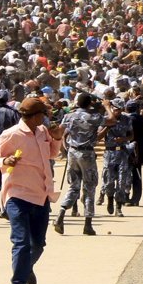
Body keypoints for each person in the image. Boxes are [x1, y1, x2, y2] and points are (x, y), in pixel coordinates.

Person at [0, 97, 64, 284]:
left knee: (38, 244)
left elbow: (53, 154)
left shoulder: (42, 133)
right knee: (21, 244)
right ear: (35, 116)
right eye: (43, 115)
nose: (46, 119)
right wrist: (5, 160)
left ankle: (26, 268)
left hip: (41, 195)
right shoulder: (11, 134)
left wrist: (56, 139)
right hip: (17, 195)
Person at [54, 93, 116, 236]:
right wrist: (107, 106)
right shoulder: (93, 117)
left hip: (72, 152)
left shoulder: (69, 116)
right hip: (87, 153)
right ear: (90, 104)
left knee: (73, 186)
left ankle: (61, 215)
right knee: (89, 187)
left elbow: (59, 133)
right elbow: (112, 120)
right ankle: (88, 224)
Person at [98, 99, 134, 218]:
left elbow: (131, 135)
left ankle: (119, 207)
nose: (117, 111)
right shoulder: (105, 118)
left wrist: (123, 139)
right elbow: (99, 136)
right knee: (108, 181)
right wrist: (108, 127)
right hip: (110, 153)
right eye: (115, 109)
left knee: (121, 182)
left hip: (122, 153)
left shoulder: (127, 119)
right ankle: (109, 200)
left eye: (119, 109)